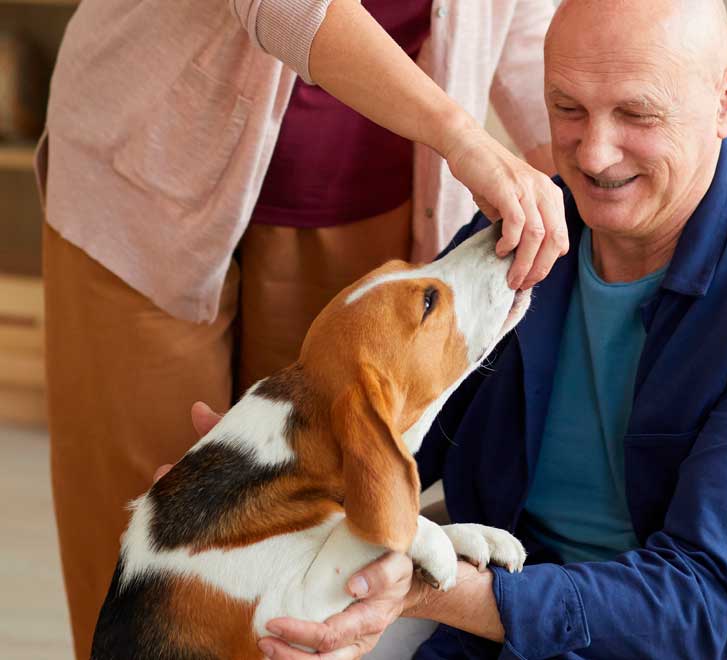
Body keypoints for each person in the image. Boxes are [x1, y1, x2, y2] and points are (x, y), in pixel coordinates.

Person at [252, 0, 727, 658]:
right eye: (567, 108)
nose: (592, 155)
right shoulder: (523, 232)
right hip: (535, 631)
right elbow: (402, 426)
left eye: (637, 115)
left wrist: (441, 589)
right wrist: (254, 488)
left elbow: (701, 604)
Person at [37, 0, 568, 658]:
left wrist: (589, 175)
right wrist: (460, 135)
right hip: (146, 183)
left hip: (364, 202)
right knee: (142, 562)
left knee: (323, 604)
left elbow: (521, 29)